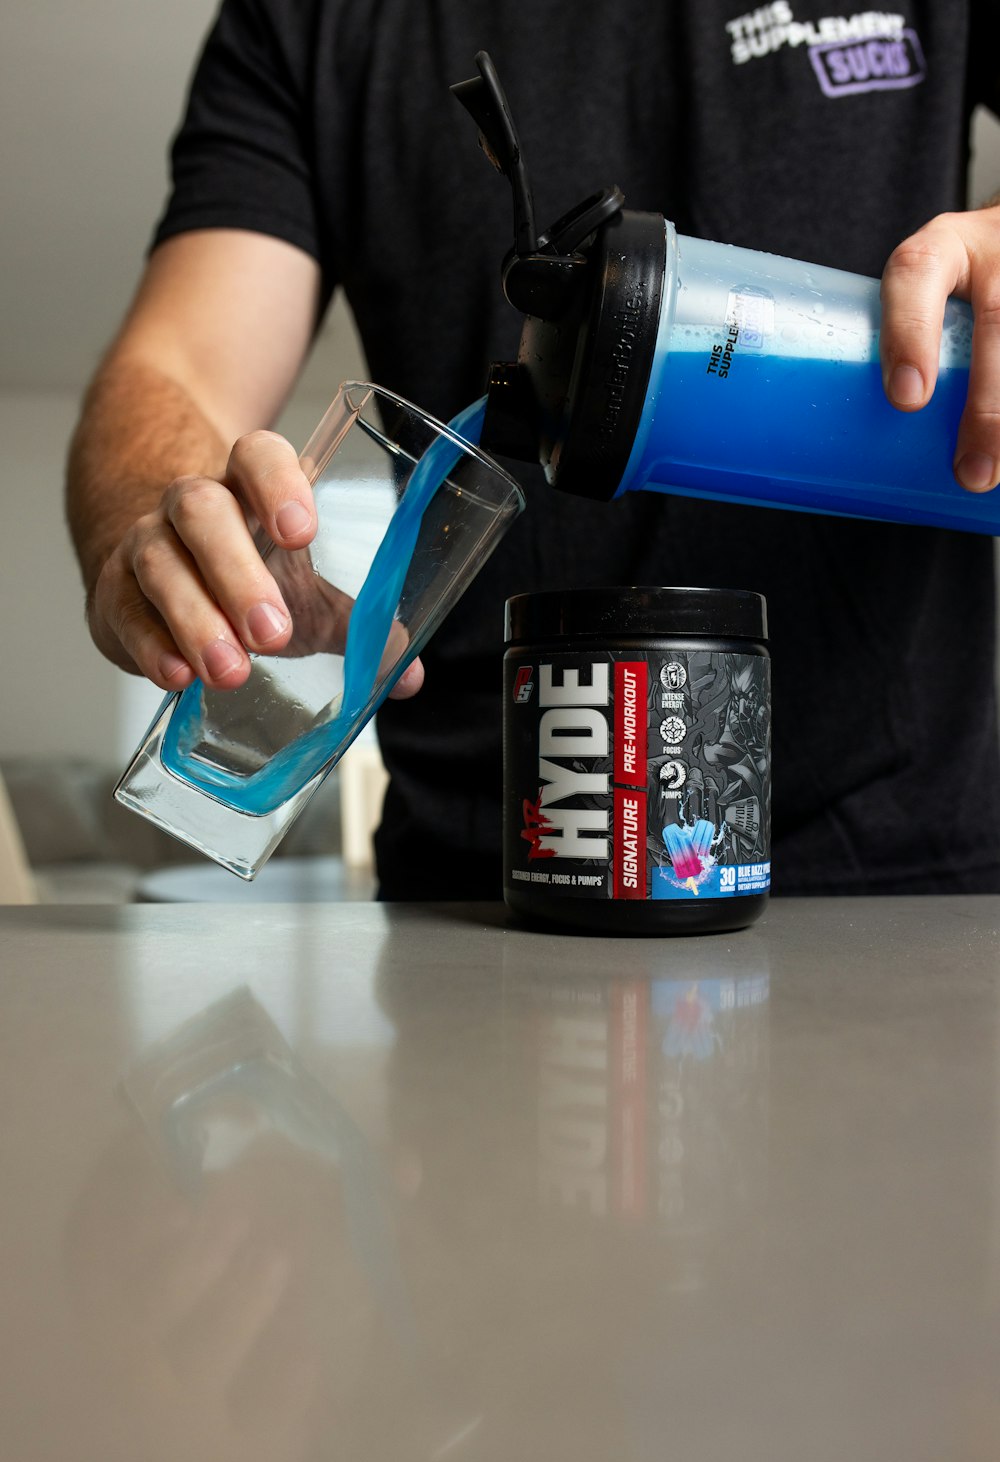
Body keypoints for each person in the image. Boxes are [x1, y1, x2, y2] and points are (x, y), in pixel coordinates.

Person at [66, 1, 1000, 898]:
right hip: (480, 889)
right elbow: (177, 367)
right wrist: (168, 527)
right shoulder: (312, 16)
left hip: (905, 867)